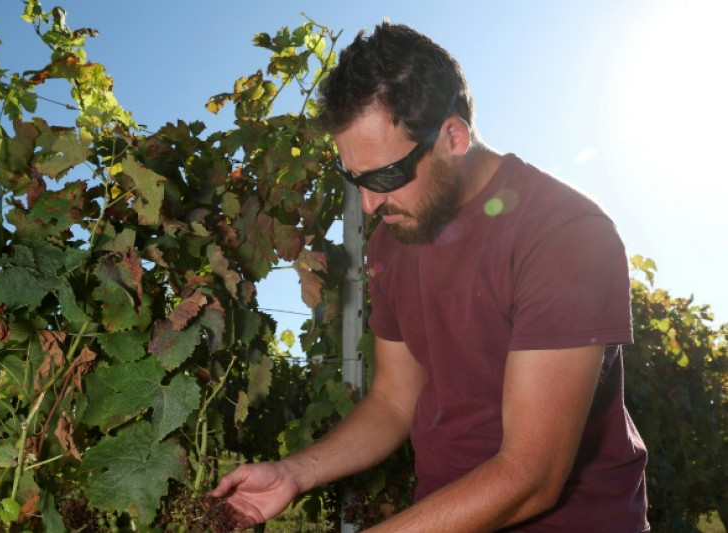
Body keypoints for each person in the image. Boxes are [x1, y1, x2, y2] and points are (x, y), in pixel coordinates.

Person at [209, 21, 649, 532]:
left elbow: (532, 475)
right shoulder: (392, 242)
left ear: (453, 137)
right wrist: (292, 473)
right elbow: (394, 402)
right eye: (355, 180)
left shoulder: (564, 234)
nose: (369, 204)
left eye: (385, 177)